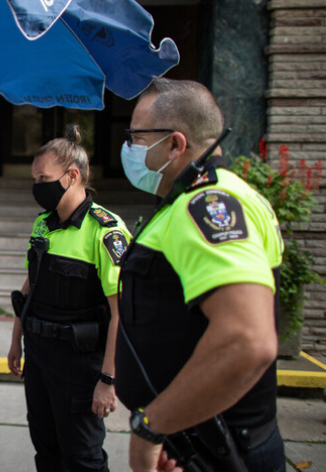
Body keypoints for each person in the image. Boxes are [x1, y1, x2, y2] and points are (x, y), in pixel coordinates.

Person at [114, 78, 284, 472]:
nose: (129, 148)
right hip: (192, 441)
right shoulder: (206, 195)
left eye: (136, 136)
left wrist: (150, 427)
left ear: (176, 144)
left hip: (216, 450)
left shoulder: (208, 204)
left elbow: (249, 340)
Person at [6, 125, 131, 472]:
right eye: (35, 178)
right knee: (46, 450)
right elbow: (30, 285)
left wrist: (108, 380)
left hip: (80, 366)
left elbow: (121, 314)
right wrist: (16, 339)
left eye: (43, 178)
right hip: (40, 358)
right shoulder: (43, 225)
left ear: (72, 176)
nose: (37, 187)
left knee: (82, 457)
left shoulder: (106, 231)